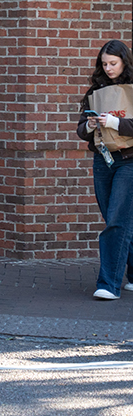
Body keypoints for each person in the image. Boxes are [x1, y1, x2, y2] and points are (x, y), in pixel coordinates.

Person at [77, 39, 133, 301]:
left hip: (129, 161)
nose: (109, 68)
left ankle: (108, 284)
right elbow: (80, 131)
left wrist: (115, 122)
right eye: (104, 64)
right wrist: (89, 126)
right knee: (116, 220)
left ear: (124, 62)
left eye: (113, 63)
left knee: (117, 222)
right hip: (103, 160)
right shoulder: (96, 90)